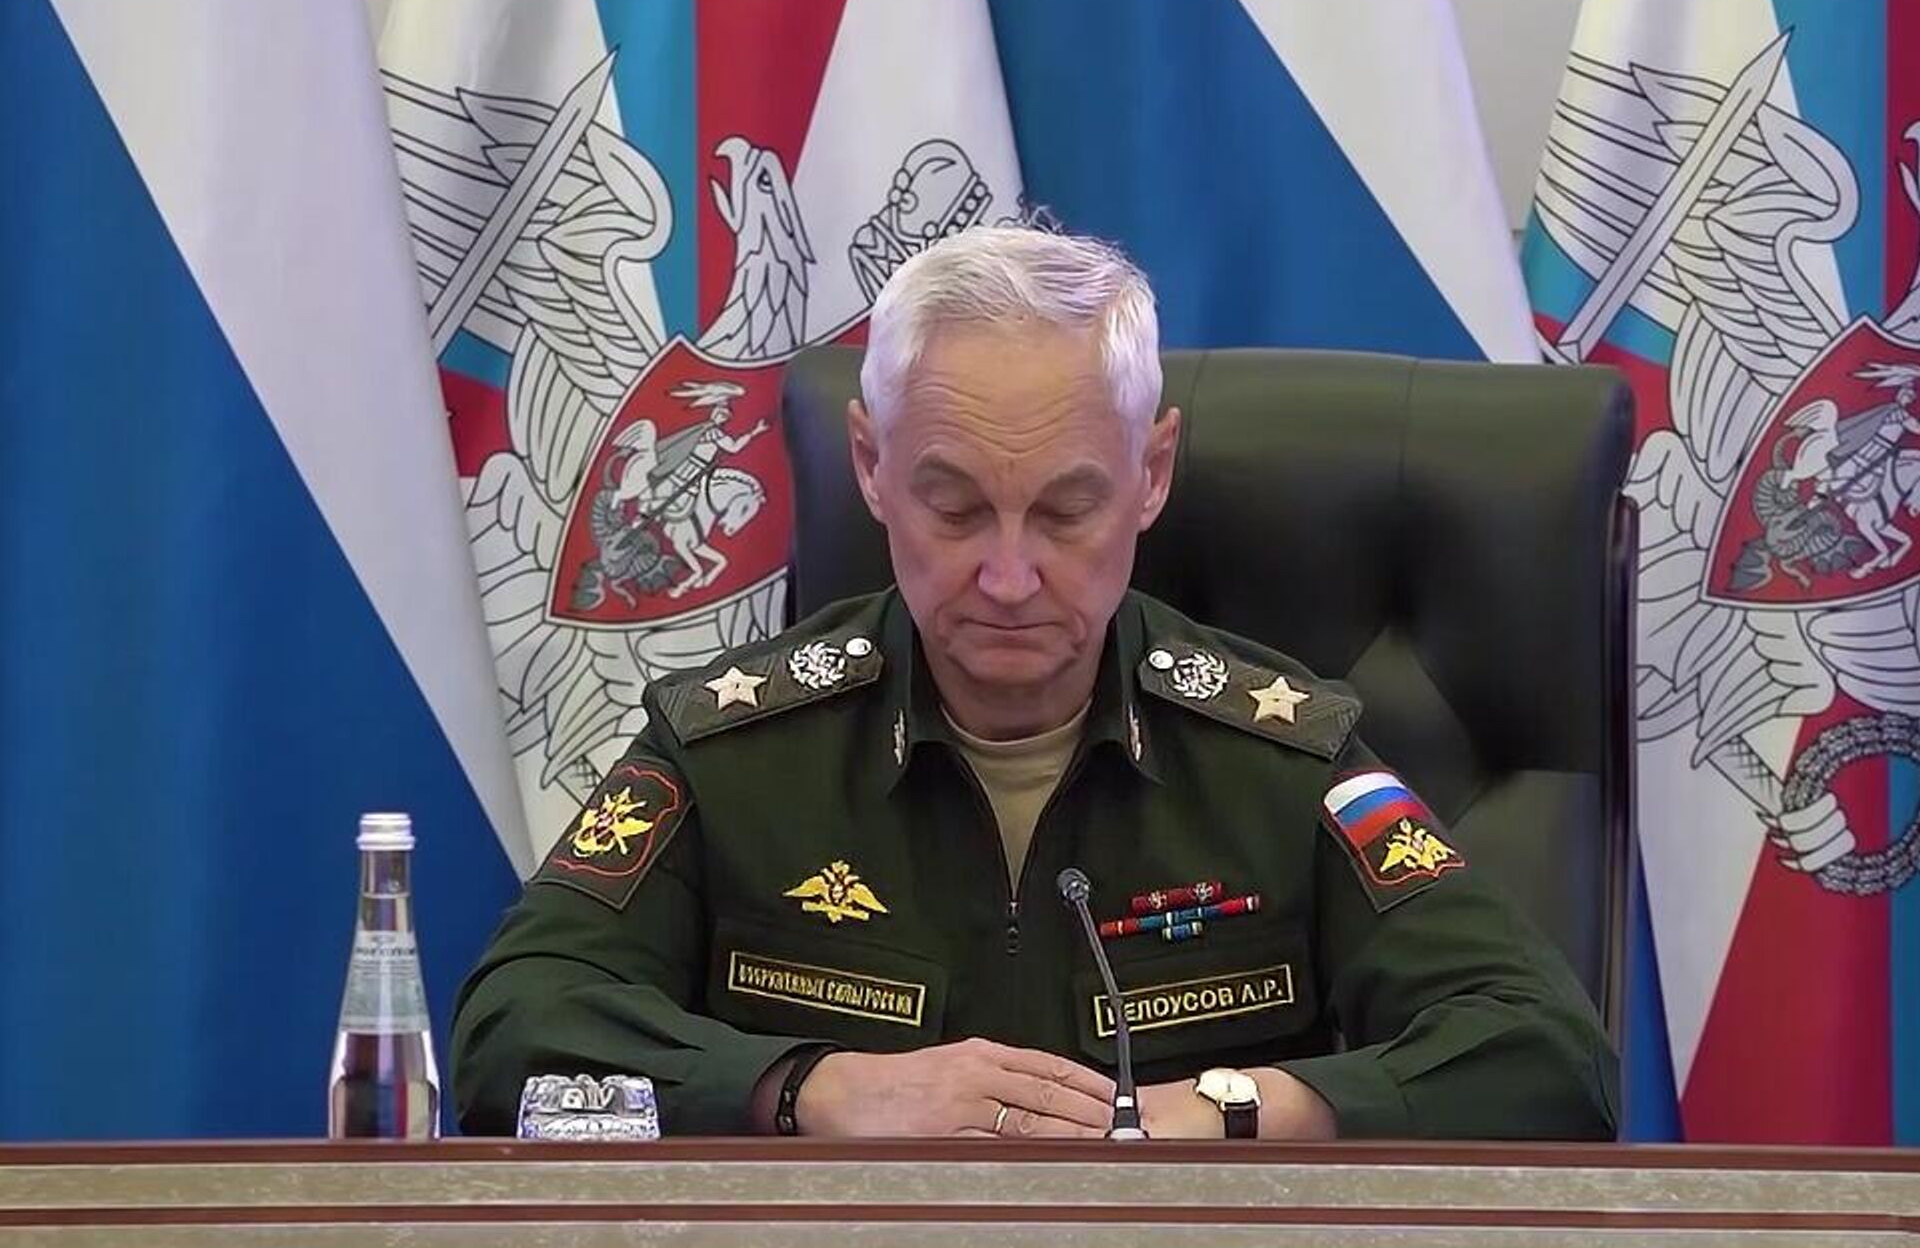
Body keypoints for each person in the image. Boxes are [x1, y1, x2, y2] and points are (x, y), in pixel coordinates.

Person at [452, 226, 1619, 1140]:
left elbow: (1549, 1056)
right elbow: (512, 1039)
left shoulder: (1278, 758)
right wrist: (807, 1088)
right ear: (870, 465)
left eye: (1066, 510)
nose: (1009, 577)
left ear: (1151, 472)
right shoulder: (733, 751)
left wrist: (1229, 1109)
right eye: (955, 506)